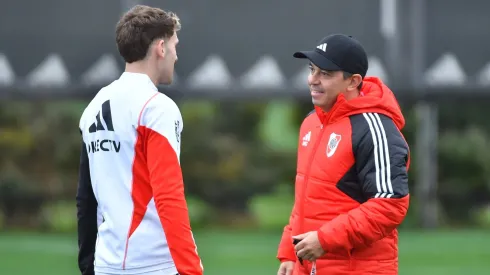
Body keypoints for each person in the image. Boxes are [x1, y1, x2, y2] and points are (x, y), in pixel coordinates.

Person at [76, 5, 203, 275]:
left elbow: (85, 199)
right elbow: (169, 196)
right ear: (160, 48)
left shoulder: (94, 107)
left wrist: (88, 265)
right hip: (152, 265)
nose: (176, 56)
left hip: (105, 264)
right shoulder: (157, 108)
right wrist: (191, 270)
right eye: (174, 46)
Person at [276, 34, 410, 275]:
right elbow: (308, 197)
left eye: (325, 74)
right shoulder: (312, 122)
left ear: (353, 81)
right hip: (308, 267)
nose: (312, 80)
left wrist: (325, 240)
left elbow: (390, 204)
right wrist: (289, 251)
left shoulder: (373, 127)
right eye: (311, 69)